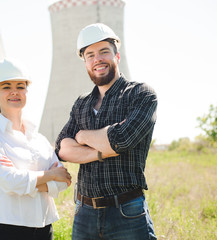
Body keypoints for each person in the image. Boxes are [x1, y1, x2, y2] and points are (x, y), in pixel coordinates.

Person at [55, 23, 158, 239]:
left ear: (117, 56)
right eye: (90, 55)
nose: (97, 59)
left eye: (104, 52)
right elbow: (62, 148)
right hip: (84, 213)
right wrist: (101, 151)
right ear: (85, 62)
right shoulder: (81, 103)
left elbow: (121, 140)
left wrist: (82, 137)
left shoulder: (141, 94)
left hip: (127, 212)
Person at [0, 58, 72, 240]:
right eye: (6, 86)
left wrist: (26, 183)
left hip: (44, 229)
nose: (14, 92)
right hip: (5, 228)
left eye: (20, 86)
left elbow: (64, 180)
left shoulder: (39, 139)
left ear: (26, 91)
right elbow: (10, 181)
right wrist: (50, 175)